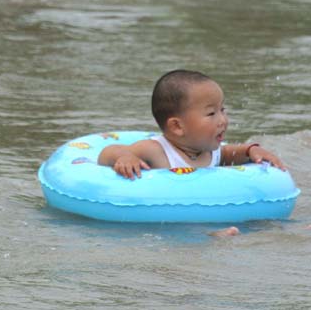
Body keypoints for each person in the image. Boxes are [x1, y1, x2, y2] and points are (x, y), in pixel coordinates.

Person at [98, 70, 286, 235]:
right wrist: (125, 157)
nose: (223, 120)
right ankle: (210, 236)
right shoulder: (156, 150)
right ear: (177, 126)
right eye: (211, 113)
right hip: (166, 220)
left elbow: (231, 153)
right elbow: (107, 153)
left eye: (222, 110)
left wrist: (252, 150)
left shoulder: (211, 151)